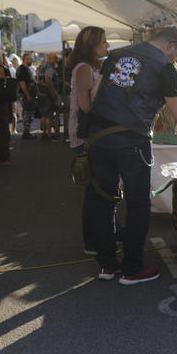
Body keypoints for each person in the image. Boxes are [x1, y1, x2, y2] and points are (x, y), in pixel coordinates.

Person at [85, 26, 177, 285]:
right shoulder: (164, 67)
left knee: (104, 201)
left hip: (99, 136)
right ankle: (132, 269)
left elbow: (95, 94)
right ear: (170, 46)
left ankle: (107, 266)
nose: (175, 60)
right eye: (176, 55)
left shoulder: (116, 55)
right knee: (138, 204)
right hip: (133, 139)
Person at [66, 26, 109, 254]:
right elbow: (85, 105)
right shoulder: (84, 68)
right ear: (91, 45)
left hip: (91, 134)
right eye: (103, 42)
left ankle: (102, 236)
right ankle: (93, 242)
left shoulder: (92, 66)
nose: (107, 45)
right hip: (87, 135)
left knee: (98, 189)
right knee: (95, 191)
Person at [37, 53, 60, 141]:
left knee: (43, 115)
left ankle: (44, 133)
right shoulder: (49, 68)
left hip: (41, 94)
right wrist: (54, 93)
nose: (56, 61)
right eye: (55, 59)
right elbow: (48, 81)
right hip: (48, 95)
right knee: (49, 116)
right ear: (50, 59)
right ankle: (48, 134)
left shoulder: (41, 67)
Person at [16, 53, 36, 139]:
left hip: (29, 94)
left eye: (31, 58)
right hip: (26, 95)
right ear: (25, 59)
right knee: (27, 113)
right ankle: (26, 133)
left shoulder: (27, 69)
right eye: (29, 59)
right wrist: (27, 95)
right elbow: (22, 83)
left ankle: (27, 132)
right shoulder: (22, 69)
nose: (31, 60)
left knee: (29, 113)